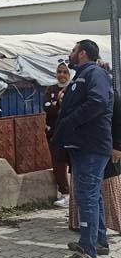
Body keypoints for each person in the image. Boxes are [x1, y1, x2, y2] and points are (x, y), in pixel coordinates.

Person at [51, 40, 113, 258]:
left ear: (83, 54)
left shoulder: (94, 73)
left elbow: (98, 102)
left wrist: (69, 122)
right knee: (92, 196)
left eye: (74, 50)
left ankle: (88, 253)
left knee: (87, 198)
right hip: (83, 147)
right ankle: (98, 241)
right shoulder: (83, 75)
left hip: (91, 147)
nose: (70, 54)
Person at [68, 60, 121, 238]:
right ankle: (94, 235)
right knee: (91, 194)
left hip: (102, 149)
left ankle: (94, 241)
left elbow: (117, 121)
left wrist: (117, 146)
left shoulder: (110, 94)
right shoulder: (85, 93)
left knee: (100, 192)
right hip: (86, 148)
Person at [44, 62, 72, 208]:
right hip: (54, 133)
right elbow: (47, 107)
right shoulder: (51, 89)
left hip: (71, 133)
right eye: (59, 71)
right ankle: (65, 194)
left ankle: (76, 194)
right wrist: (59, 103)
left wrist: (57, 104)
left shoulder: (74, 88)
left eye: (65, 72)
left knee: (74, 163)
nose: (62, 74)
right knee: (58, 163)